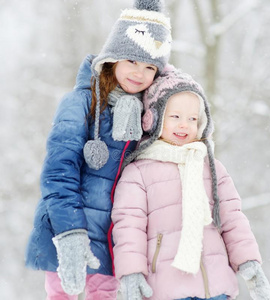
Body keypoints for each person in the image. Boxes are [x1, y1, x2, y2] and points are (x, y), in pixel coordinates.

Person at [25, 0, 172, 299]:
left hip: (112, 246)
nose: (139, 73)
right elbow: (59, 173)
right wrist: (70, 234)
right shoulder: (80, 104)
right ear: (113, 58)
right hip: (67, 234)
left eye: (150, 67)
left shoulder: (149, 118)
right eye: (132, 61)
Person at [111, 66, 270, 300]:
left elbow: (233, 219)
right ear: (153, 118)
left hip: (217, 286)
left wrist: (249, 263)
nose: (184, 125)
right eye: (175, 116)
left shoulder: (211, 168)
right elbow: (129, 227)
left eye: (192, 119)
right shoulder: (138, 172)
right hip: (166, 288)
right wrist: (131, 273)